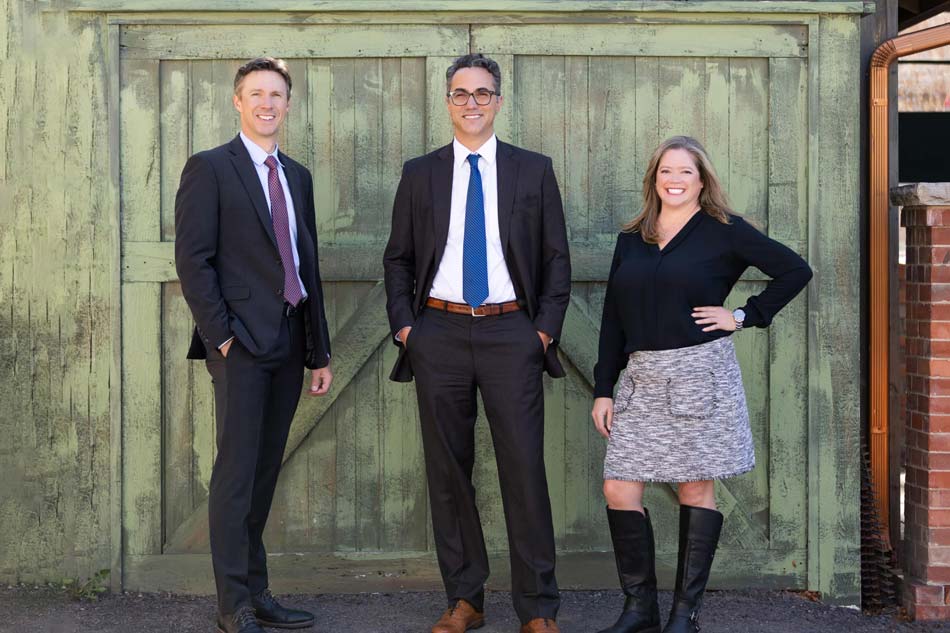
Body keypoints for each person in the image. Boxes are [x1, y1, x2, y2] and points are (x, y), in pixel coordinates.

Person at [590, 136, 812, 633]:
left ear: (702, 180)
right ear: (654, 179)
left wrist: (741, 315)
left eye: (685, 172)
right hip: (642, 378)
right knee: (619, 486)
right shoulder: (634, 237)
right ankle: (639, 610)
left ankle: (683, 617)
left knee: (694, 485)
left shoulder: (723, 231)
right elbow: (612, 319)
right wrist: (604, 387)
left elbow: (795, 270)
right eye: (665, 171)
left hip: (700, 374)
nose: (674, 179)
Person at [383, 53, 571, 633]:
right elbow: (398, 259)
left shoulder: (532, 170)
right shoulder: (421, 172)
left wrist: (539, 332)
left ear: (499, 101)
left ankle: (537, 609)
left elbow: (555, 261)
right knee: (447, 472)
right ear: (447, 102)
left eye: (482, 93)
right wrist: (407, 327)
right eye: (461, 93)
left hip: (510, 332)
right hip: (437, 332)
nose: (471, 102)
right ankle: (465, 599)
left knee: (523, 470)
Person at [174, 57, 333, 633]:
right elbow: (194, 261)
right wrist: (221, 337)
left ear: (288, 105)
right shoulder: (211, 168)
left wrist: (319, 349)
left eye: (277, 94)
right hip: (239, 345)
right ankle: (232, 602)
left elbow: (305, 264)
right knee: (237, 472)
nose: (267, 103)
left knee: (265, 471)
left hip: (291, 341)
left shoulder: (298, 176)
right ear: (237, 102)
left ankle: (259, 592)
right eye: (256, 93)